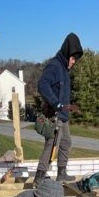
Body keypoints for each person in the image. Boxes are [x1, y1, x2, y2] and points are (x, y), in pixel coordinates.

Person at [35, 33, 84, 184]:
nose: (74, 62)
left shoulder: (64, 70)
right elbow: (43, 85)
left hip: (63, 116)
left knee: (66, 142)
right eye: (73, 58)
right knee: (52, 145)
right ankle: (39, 177)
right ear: (67, 53)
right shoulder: (55, 66)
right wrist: (55, 103)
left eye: (76, 59)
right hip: (55, 115)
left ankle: (61, 173)